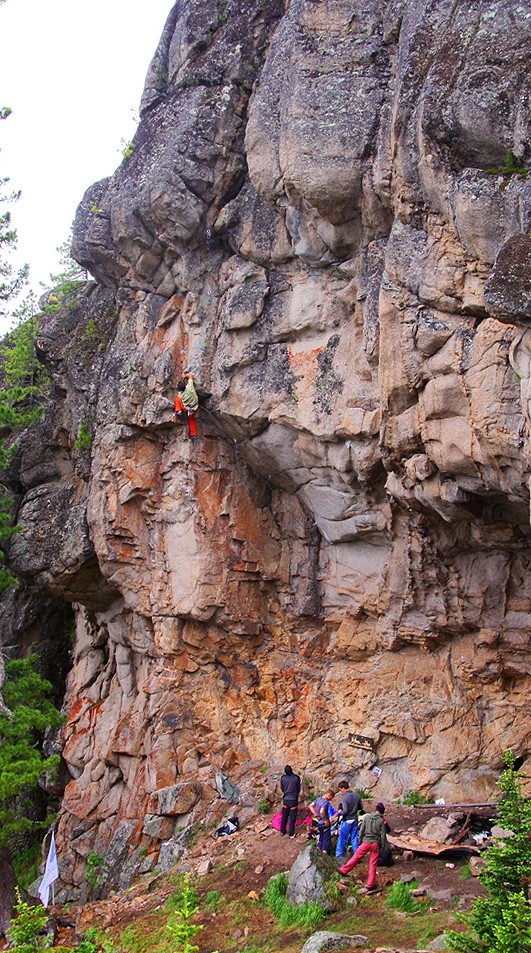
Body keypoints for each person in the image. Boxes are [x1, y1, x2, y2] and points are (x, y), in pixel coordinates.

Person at [339, 802, 388, 893]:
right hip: (375, 844)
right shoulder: (381, 820)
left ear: (375, 809)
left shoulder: (367, 817)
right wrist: (384, 847)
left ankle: (343, 870)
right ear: (382, 812)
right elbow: (383, 835)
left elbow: (361, 830)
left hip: (366, 842)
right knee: (373, 864)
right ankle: (370, 884)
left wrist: (360, 841)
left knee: (356, 857)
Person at [335, 780, 363, 859]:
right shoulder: (357, 795)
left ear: (343, 788)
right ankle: (357, 856)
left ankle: (339, 855)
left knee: (342, 838)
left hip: (347, 820)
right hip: (355, 819)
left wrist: (339, 813)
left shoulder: (345, 798)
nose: (341, 792)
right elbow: (361, 807)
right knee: (354, 838)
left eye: (340, 790)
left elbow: (345, 810)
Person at [310, 789, 337, 854]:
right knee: (326, 838)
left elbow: (310, 806)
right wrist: (326, 820)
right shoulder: (325, 802)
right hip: (324, 823)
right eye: (331, 797)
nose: (330, 799)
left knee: (321, 836)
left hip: (319, 823)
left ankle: (319, 850)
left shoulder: (318, 799)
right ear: (329, 795)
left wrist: (315, 814)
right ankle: (324, 853)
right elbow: (322, 811)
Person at [175, 371, 199, 439]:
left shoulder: (180, 395)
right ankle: (193, 434)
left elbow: (179, 397)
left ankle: (178, 411)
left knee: (177, 399)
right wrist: (185, 376)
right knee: (192, 419)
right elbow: (190, 376)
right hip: (195, 407)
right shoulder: (190, 388)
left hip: (187, 409)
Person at [280, 765, 301, 838]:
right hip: (293, 799)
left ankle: (282, 831)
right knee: (292, 817)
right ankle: (291, 833)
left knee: (284, 816)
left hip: (286, 799)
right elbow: (298, 789)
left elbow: (282, 788)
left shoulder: (283, 778)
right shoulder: (296, 778)